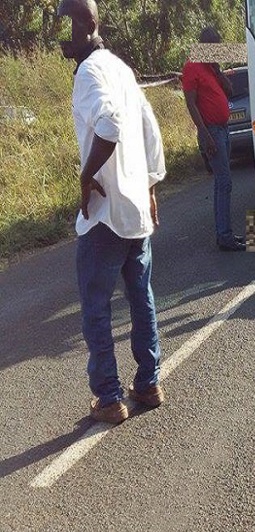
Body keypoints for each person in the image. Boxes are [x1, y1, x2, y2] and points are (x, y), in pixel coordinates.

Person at [56, 0, 166, 423]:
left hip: (104, 213)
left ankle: (108, 396)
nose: (59, 35)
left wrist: (85, 179)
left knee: (97, 306)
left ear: (87, 24)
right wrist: (152, 186)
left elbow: (111, 126)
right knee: (141, 296)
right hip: (135, 207)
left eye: (64, 25)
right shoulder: (120, 68)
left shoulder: (89, 72)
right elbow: (149, 129)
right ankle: (148, 382)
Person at [182, 27, 245, 252]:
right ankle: (224, 235)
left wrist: (218, 70)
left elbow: (228, 91)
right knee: (225, 181)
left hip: (223, 129)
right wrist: (205, 136)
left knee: (222, 183)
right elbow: (190, 103)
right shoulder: (191, 67)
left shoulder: (210, 67)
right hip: (211, 132)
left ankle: (224, 234)